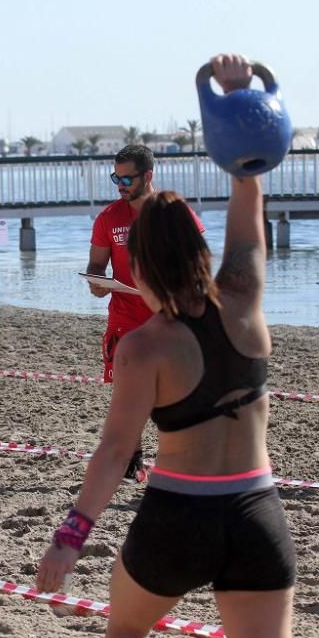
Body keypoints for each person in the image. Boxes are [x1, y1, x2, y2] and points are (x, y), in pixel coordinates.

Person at [38, 55, 295, 638]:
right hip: (257, 511)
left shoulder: (144, 345)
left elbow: (114, 451)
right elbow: (247, 202)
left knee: (126, 630)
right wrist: (239, 100)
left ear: (145, 263)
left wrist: (71, 536)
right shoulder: (246, 301)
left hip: (180, 515)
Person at [86, 144, 204, 483]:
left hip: (168, 319)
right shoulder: (109, 217)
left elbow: (198, 262)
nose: (120, 184)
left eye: (126, 178)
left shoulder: (172, 211)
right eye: (115, 177)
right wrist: (98, 283)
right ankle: (132, 460)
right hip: (125, 317)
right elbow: (96, 264)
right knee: (128, 394)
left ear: (148, 176)